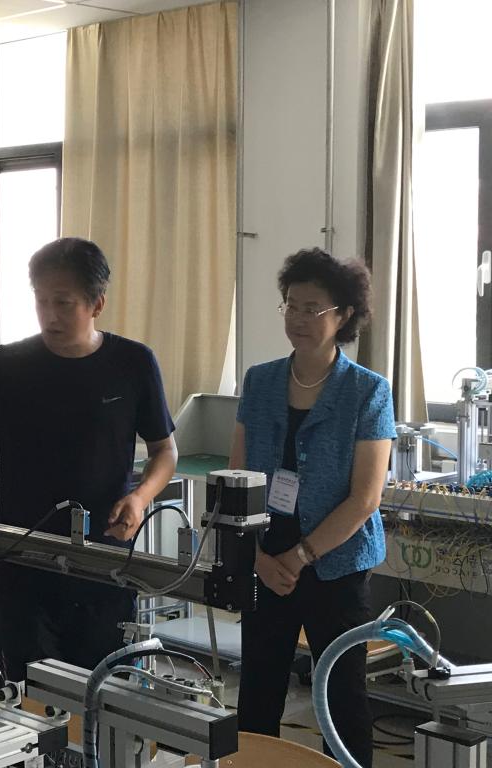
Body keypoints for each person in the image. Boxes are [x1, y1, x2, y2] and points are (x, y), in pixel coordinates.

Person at [0, 237, 177, 681]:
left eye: (63, 303)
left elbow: (165, 451)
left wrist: (141, 497)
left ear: (97, 304)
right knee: (24, 692)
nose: (49, 315)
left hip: (103, 561)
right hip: (23, 556)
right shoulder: (10, 364)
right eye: (41, 301)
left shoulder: (133, 363)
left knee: (102, 691)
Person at [229, 247, 394, 768]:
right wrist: (257, 556)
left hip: (336, 565)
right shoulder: (259, 381)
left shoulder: (368, 392)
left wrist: (300, 556)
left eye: (312, 308)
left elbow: (365, 498)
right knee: (258, 688)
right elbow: (236, 477)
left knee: (342, 696)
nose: (298, 319)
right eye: (291, 306)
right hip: (265, 559)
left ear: (343, 315)